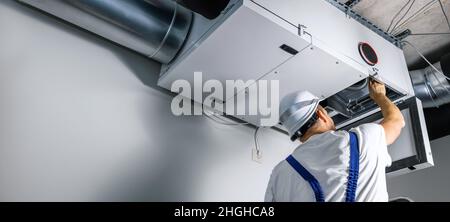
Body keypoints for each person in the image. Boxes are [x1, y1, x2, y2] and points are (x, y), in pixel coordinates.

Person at [265, 78, 405, 202]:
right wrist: (379, 95)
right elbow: (396, 121)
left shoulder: (279, 173)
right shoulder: (359, 140)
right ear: (321, 114)